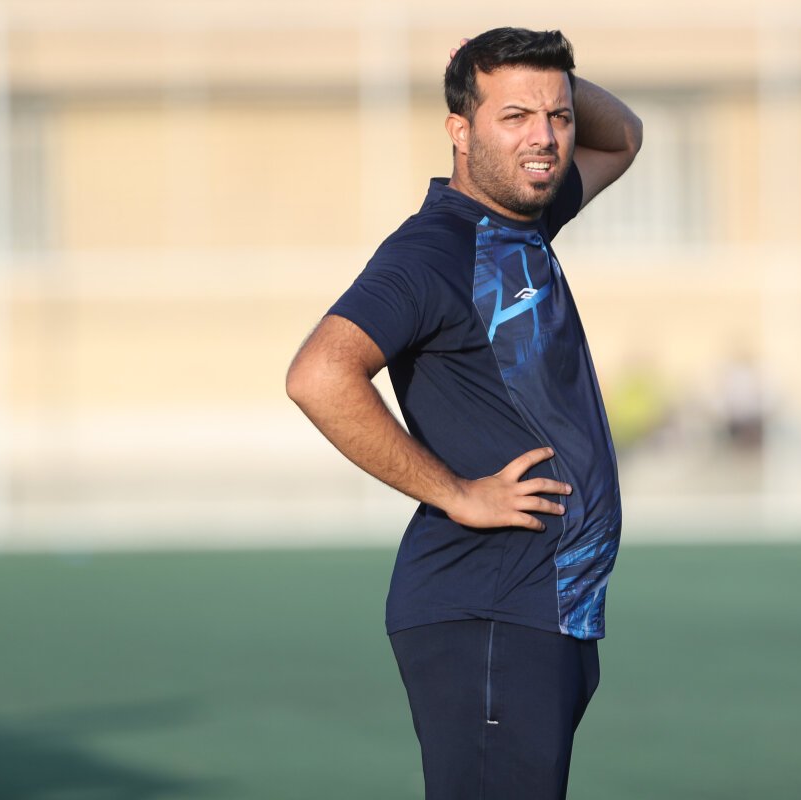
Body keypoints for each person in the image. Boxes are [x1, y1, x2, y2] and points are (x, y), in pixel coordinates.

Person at [286, 27, 641, 800]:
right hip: (487, 611)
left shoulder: (523, 220)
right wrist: (454, 492)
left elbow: (624, 137)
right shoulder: (433, 252)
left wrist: (545, 80)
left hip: (543, 612)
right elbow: (318, 375)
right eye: (514, 117)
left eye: (556, 116)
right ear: (460, 129)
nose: (544, 138)